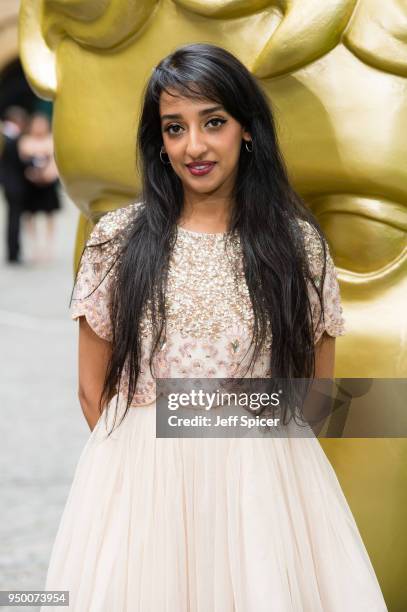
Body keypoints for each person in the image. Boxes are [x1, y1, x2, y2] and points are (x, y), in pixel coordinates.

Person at [41, 44, 387, 611]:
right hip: (143, 488)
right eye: (174, 128)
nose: (194, 146)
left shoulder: (296, 246)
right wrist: (142, 479)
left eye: (214, 123)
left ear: (247, 130)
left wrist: (260, 476)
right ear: (160, 141)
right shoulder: (119, 239)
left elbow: (315, 393)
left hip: (264, 493)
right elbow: (91, 389)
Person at [18, 113, 61, 263]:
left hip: (48, 184)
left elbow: (56, 162)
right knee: (30, 216)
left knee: (50, 215)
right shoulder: (25, 141)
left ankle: (48, 246)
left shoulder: (51, 140)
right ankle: (34, 246)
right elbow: (22, 162)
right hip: (31, 185)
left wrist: (48, 175)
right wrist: (33, 175)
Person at [0, 106, 29, 263]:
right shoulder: (11, 137)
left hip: (8, 182)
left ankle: (13, 251)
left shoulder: (5, 136)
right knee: (14, 218)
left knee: (12, 217)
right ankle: (13, 252)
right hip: (14, 183)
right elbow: (18, 161)